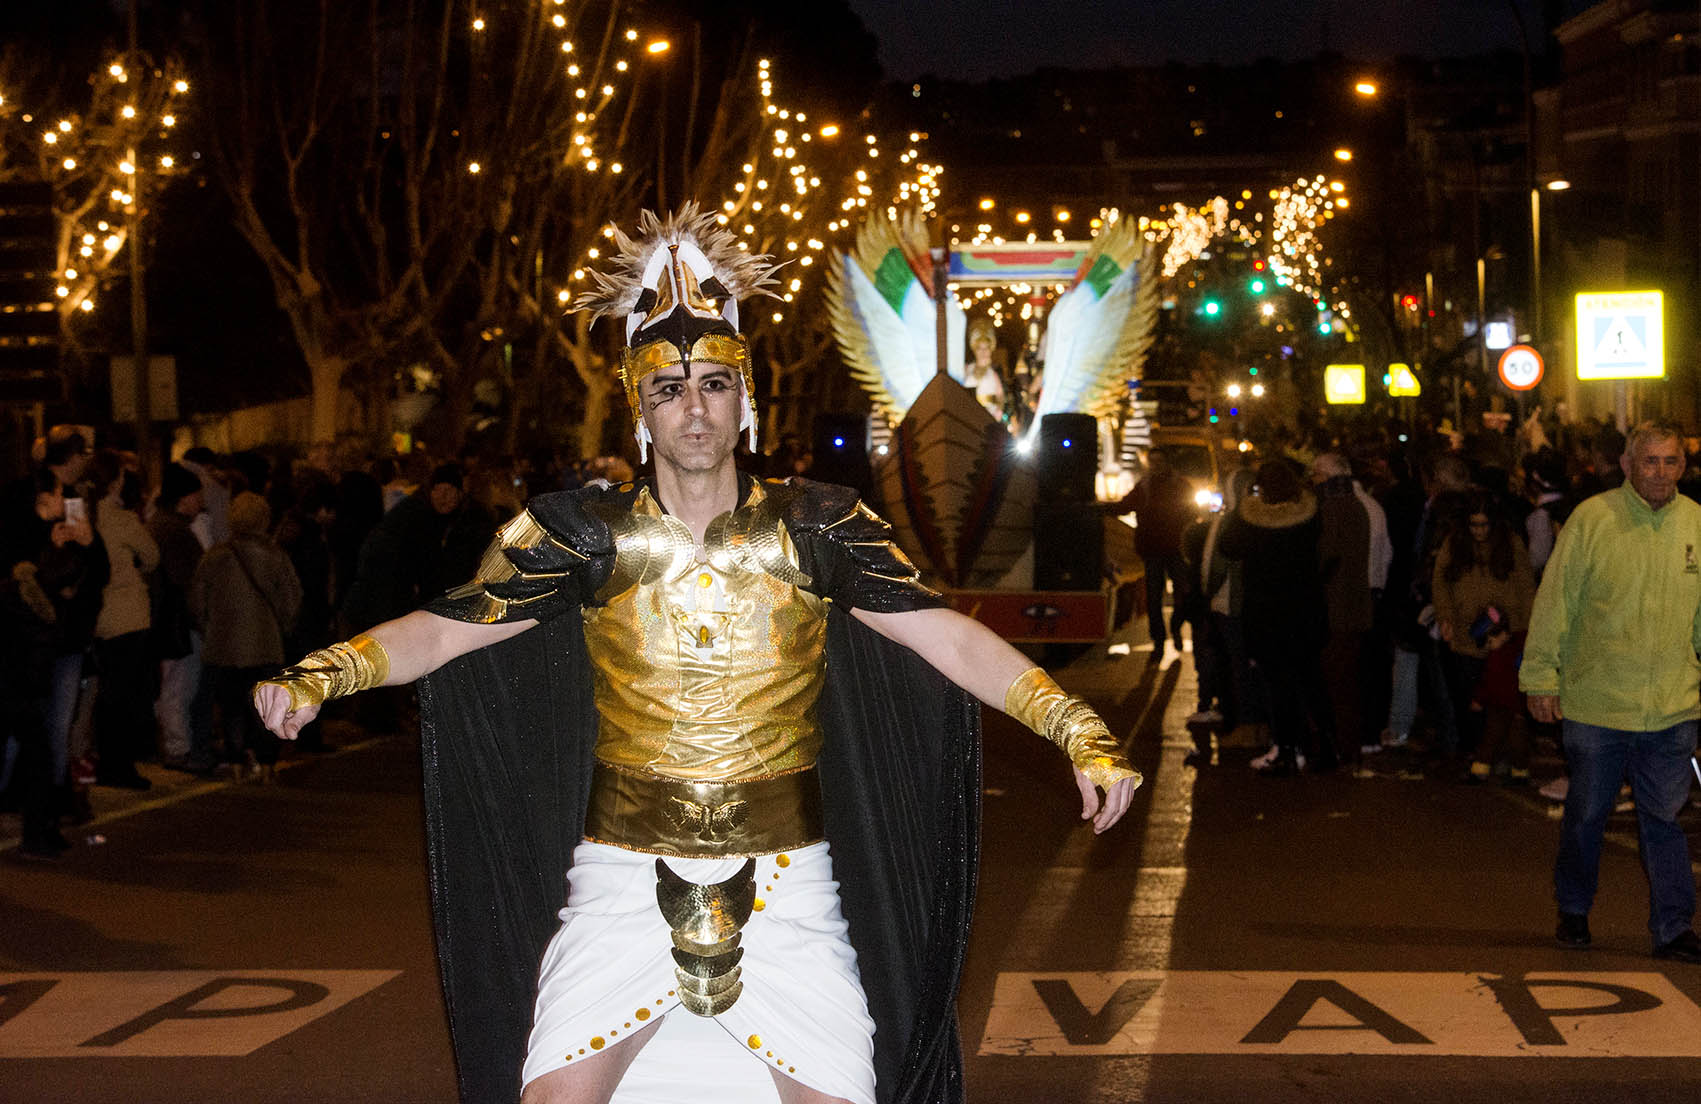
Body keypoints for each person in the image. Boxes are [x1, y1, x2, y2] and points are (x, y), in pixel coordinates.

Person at [254, 205, 1141, 1104]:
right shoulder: (583, 535)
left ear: (745, 398)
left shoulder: (817, 526)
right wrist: (324, 671)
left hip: (788, 882)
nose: (693, 408)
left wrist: (1073, 725)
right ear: (639, 408)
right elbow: (446, 629)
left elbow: (944, 635)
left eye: (713, 384)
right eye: (669, 389)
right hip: (622, 877)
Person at [1522, 420, 1701, 963]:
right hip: (1598, 705)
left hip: (1671, 707)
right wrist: (1540, 677)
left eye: (1671, 462)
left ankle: (1673, 929)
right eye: (1650, 461)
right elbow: (1556, 601)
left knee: (1665, 823)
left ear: (1683, 467)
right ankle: (1574, 909)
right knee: (1587, 815)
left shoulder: (1696, 522)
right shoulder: (1592, 520)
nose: (1661, 472)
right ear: (1627, 464)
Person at [194, 492, 302, 783]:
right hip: (266, 645)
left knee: (231, 707)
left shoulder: (215, 556)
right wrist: (282, 626)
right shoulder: (275, 556)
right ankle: (267, 764)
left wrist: (211, 628)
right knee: (267, 708)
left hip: (223, 646)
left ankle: (236, 761)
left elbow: (197, 601)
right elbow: (292, 599)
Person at [90, 450, 161, 790]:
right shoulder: (122, 520)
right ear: (115, 481)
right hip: (128, 616)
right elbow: (151, 556)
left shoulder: (85, 516)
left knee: (106, 695)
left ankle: (105, 761)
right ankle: (121, 766)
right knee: (128, 694)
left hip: (97, 616)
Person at [150, 463, 213, 773]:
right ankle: (179, 748)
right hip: (178, 623)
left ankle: (175, 745)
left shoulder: (160, 525)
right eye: (197, 495)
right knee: (180, 687)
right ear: (184, 498)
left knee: (172, 686)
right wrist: (202, 620)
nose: (201, 502)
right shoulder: (176, 532)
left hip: (166, 620)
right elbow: (188, 582)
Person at [1118, 447, 1196, 658]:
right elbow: (1125, 506)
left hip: (1175, 549)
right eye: (1152, 462)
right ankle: (1159, 641)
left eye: (1159, 462)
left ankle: (1176, 626)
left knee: (1181, 594)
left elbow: (1193, 512)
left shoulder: (1180, 486)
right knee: (1153, 598)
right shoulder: (1145, 487)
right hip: (1152, 549)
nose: (1156, 467)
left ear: (1167, 463)